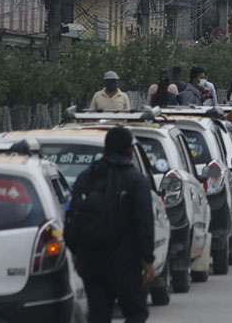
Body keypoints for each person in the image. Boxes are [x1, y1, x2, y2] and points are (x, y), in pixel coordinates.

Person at [67, 126, 154, 323]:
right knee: (136, 313)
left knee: (98, 316)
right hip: (126, 264)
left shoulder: (86, 177)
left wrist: (79, 255)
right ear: (130, 153)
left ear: (105, 150)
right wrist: (148, 260)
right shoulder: (136, 181)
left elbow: (71, 219)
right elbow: (145, 223)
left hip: (91, 262)